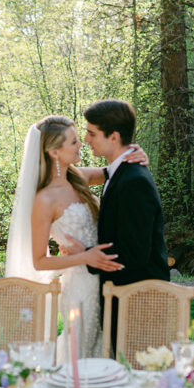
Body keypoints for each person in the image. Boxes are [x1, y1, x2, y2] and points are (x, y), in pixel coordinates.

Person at [5, 115, 147, 357]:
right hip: (80, 286)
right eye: (73, 142)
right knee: (80, 350)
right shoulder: (44, 200)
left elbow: (115, 170)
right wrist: (84, 258)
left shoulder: (78, 177)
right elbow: (39, 261)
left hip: (105, 279)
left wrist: (137, 155)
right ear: (53, 152)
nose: (81, 144)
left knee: (106, 348)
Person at [80, 99, 170, 354]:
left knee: (138, 376)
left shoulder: (134, 182)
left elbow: (134, 255)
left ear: (114, 136)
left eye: (92, 133)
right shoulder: (119, 172)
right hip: (124, 298)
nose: (87, 139)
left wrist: (87, 255)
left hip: (139, 302)